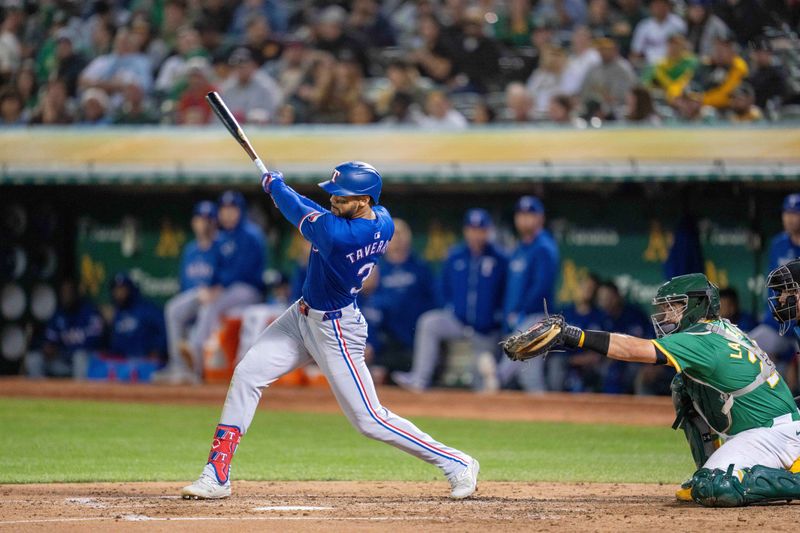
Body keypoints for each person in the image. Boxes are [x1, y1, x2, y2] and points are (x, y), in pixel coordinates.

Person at [181, 161, 479, 500]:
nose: (334, 201)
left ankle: (457, 462)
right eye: (333, 194)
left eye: (342, 196)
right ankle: (217, 473)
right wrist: (280, 188)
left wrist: (277, 187)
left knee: (369, 420)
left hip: (336, 328)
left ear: (364, 200)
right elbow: (315, 213)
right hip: (302, 317)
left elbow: (299, 212)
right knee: (248, 374)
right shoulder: (382, 219)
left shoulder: (340, 236)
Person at [504, 273, 800, 507]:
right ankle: (715, 466)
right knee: (683, 385)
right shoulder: (721, 328)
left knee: (714, 485)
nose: (667, 315)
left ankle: (792, 480)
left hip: (773, 436)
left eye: (675, 307)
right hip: (774, 430)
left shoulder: (702, 338)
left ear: (696, 305)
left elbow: (633, 349)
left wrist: (574, 336)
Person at [391, 209, 507, 392]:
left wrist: (497, 318)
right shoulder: (455, 256)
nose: (476, 234)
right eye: (472, 229)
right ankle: (419, 379)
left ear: (488, 231)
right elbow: (442, 287)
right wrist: (450, 308)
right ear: (466, 231)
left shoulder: (500, 258)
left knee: (482, 385)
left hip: (485, 330)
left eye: (481, 229)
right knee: (429, 322)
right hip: (458, 322)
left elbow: (506, 293)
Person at [186, 191, 266, 366]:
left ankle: (202, 348)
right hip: (227, 291)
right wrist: (211, 287)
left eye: (232, 209)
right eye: (224, 209)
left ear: (241, 211)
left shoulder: (251, 235)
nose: (228, 214)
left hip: (249, 289)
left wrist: (219, 287)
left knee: (216, 302)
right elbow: (215, 270)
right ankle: (202, 354)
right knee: (208, 304)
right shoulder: (221, 238)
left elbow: (244, 271)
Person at [497, 196, 560, 392]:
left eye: (530, 215)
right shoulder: (520, 248)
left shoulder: (544, 247)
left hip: (537, 318)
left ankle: (495, 380)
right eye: (521, 215)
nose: (524, 219)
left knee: (517, 363)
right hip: (517, 318)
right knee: (529, 376)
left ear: (540, 218)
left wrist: (521, 312)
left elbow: (541, 286)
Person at [157, 201, 219, 383]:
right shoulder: (190, 250)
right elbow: (184, 285)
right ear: (194, 222)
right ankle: (178, 366)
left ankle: (195, 371)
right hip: (194, 299)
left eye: (208, 219)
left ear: (215, 222)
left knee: (204, 313)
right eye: (200, 219)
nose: (204, 223)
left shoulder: (221, 246)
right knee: (173, 309)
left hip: (215, 299)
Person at [368, 219, 436, 378]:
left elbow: (433, 300)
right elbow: (369, 305)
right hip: (385, 338)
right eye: (392, 234)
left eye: (400, 234)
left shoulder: (420, 266)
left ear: (409, 237)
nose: (397, 239)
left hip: (414, 336)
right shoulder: (376, 267)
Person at [749, 194, 800, 372]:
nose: (789, 218)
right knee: (749, 347)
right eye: (787, 213)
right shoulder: (778, 244)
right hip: (778, 323)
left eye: (795, 213)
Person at [25, 278, 103, 379]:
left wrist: (67, 349)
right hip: (64, 360)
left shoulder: (89, 311)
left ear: (76, 292)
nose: (67, 296)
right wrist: (49, 347)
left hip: (87, 362)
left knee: (79, 357)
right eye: (64, 292)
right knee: (33, 359)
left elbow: (95, 341)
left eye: (70, 292)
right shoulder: (58, 314)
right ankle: (42, 392)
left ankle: (80, 393)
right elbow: (50, 340)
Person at [108, 273, 166, 360]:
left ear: (130, 289)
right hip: (123, 365)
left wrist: (158, 350)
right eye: (116, 290)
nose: (119, 294)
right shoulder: (118, 312)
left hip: (146, 363)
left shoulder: (147, 308)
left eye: (122, 289)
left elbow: (164, 329)